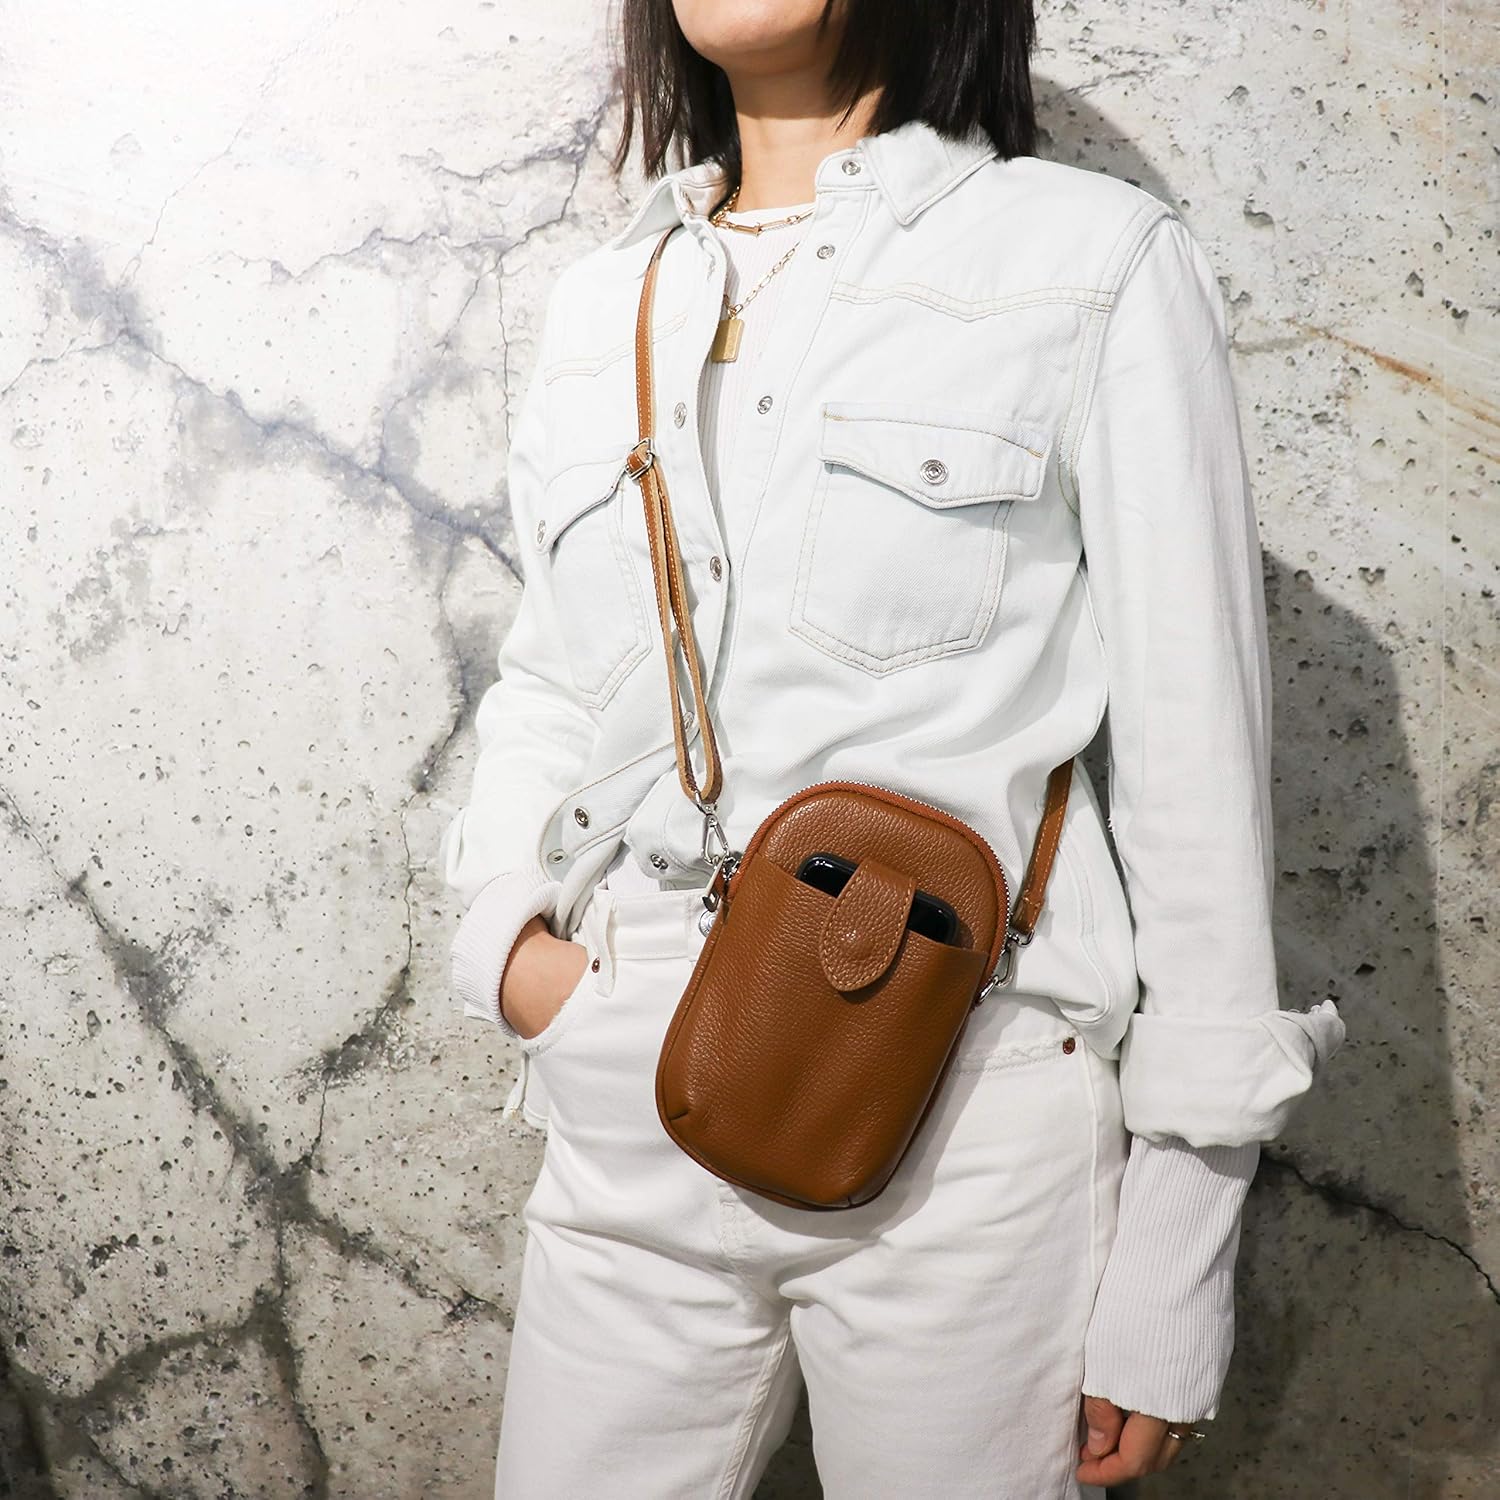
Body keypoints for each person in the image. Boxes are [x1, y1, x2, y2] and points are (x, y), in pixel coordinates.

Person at [439, 1, 1347, 1495]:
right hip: (631, 1089)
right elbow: (550, 680)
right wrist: (515, 959)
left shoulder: (1089, 260)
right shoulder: (609, 300)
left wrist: (1176, 1262)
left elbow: (1195, 767)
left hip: (963, 1116)